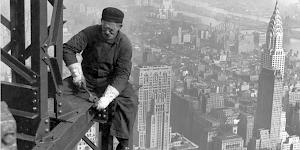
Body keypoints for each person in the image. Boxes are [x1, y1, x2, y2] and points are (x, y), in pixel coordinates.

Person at [63, 7, 138, 150]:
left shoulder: (124, 44)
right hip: (87, 79)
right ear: (101, 22)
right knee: (59, 91)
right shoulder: (90, 33)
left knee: (130, 101)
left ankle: (124, 144)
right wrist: (77, 74)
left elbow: (122, 74)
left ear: (120, 27)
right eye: (105, 28)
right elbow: (68, 48)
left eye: (111, 30)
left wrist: (107, 98)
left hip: (110, 81)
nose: (107, 32)